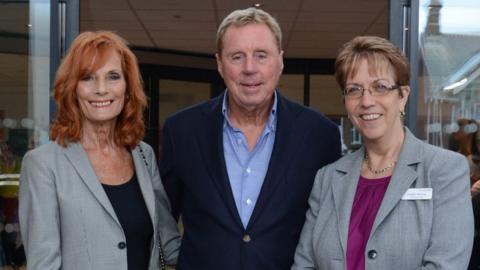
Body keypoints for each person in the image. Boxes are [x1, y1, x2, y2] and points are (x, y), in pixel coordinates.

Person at [159, 7, 341, 270]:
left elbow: (329, 230)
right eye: (236, 57)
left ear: (280, 61)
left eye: (261, 55)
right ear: (220, 64)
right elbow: (163, 220)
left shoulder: (319, 134)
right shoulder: (182, 130)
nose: (249, 68)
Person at [292, 36, 474, 270]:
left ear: (402, 96)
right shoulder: (327, 179)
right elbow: (304, 265)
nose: (366, 101)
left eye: (380, 87)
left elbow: (446, 266)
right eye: (354, 90)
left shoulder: (445, 171)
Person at [18, 31, 180, 270]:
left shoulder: (143, 154)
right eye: (88, 78)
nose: (101, 89)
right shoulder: (43, 164)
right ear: (72, 88)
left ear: (127, 88)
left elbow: (169, 245)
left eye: (113, 76)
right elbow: (43, 264)